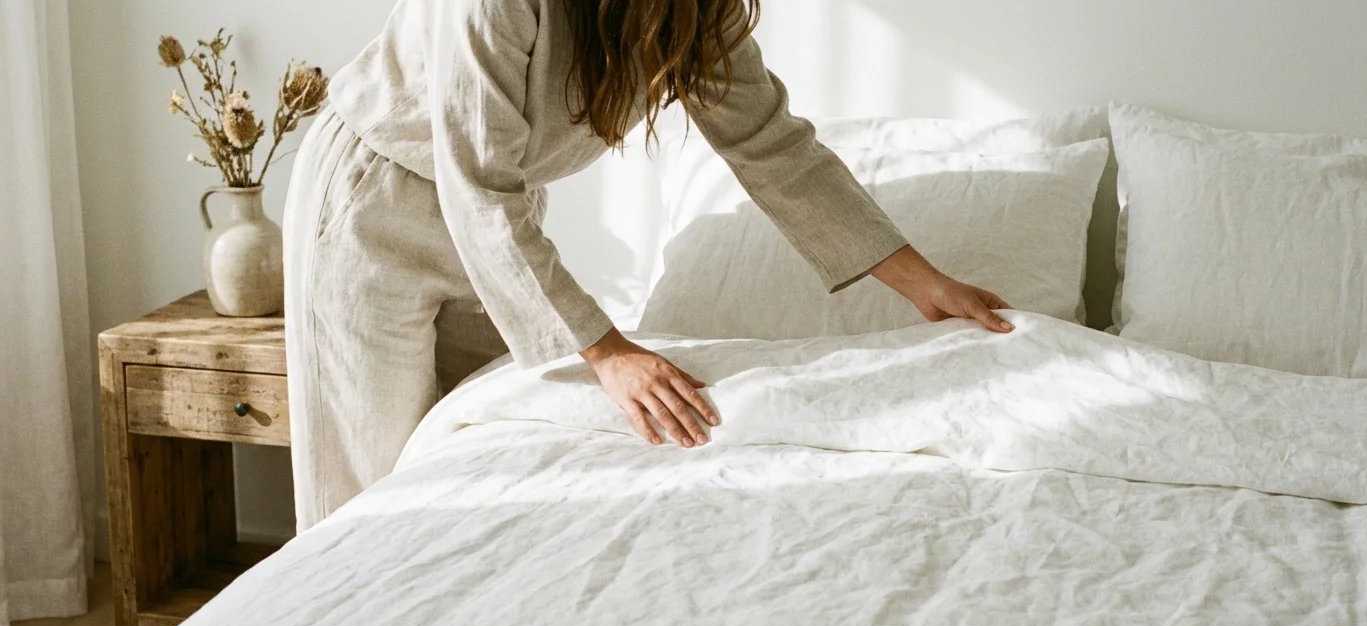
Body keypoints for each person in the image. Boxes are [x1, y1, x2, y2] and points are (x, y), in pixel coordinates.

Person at [283, 0, 1013, 532]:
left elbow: (771, 144)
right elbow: (475, 180)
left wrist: (925, 282)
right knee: (367, 495)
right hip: (373, 211)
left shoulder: (694, 10)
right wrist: (608, 350)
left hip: (501, 230)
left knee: (477, 472)